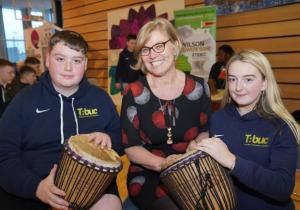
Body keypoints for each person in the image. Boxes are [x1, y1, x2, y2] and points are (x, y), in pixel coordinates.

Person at [0, 30, 122, 210]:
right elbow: (4, 154)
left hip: (93, 187)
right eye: (60, 59)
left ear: (85, 64)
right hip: (33, 188)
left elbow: (122, 139)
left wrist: (110, 140)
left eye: (76, 60)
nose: (68, 68)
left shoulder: (101, 99)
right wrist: (36, 188)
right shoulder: (24, 101)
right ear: (47, 60)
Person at [120, 18, 211, 210]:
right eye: (145, 49)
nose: (153, 55)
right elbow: (132, 148)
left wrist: (198, 144)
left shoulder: (200, 87)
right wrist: (167, 165)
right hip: (149, 173)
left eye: (159, 46)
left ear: (175, 45)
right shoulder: (134, 93)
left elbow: (205, 129)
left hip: (191, 169)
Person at [195, 49, 299, 210]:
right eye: (232, 79)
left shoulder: (281, 126)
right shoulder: (218, 118)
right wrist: (197, 153)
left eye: (248, 79)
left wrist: (232, 161)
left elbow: (283, 188)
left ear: (264, 83)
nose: (238, 87)